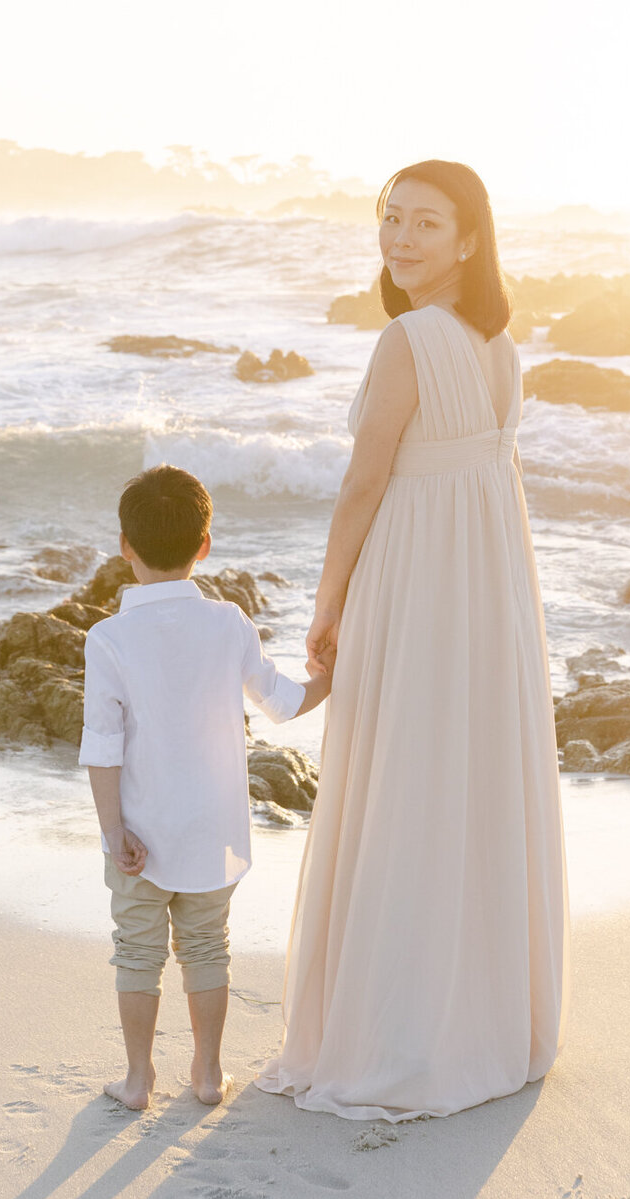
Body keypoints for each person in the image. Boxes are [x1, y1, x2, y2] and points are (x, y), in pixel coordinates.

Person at [255, 159, 570, 1120]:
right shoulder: (497, 345)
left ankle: (401, 1034)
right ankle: (487, 1023)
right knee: (467, 782)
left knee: (402, 782)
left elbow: (365, 486)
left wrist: (327, 603)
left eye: (427, 224)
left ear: (470, 240)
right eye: (391, 218)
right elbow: (493, 484)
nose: (400, 238)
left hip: (415, 578)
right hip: (483, 590)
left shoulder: (409, 339)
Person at [80, 463, 332, 1110]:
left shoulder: (107, 639)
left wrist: (114, 832)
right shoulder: (229, 622)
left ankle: (137, 1080)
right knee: (206, 949)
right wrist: (332, 675)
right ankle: (208, 1074)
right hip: (213, 829)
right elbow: (281, 703)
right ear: (204, 545)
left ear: (124, 545)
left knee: (136, 952)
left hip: (139, 827)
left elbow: (103, 748)